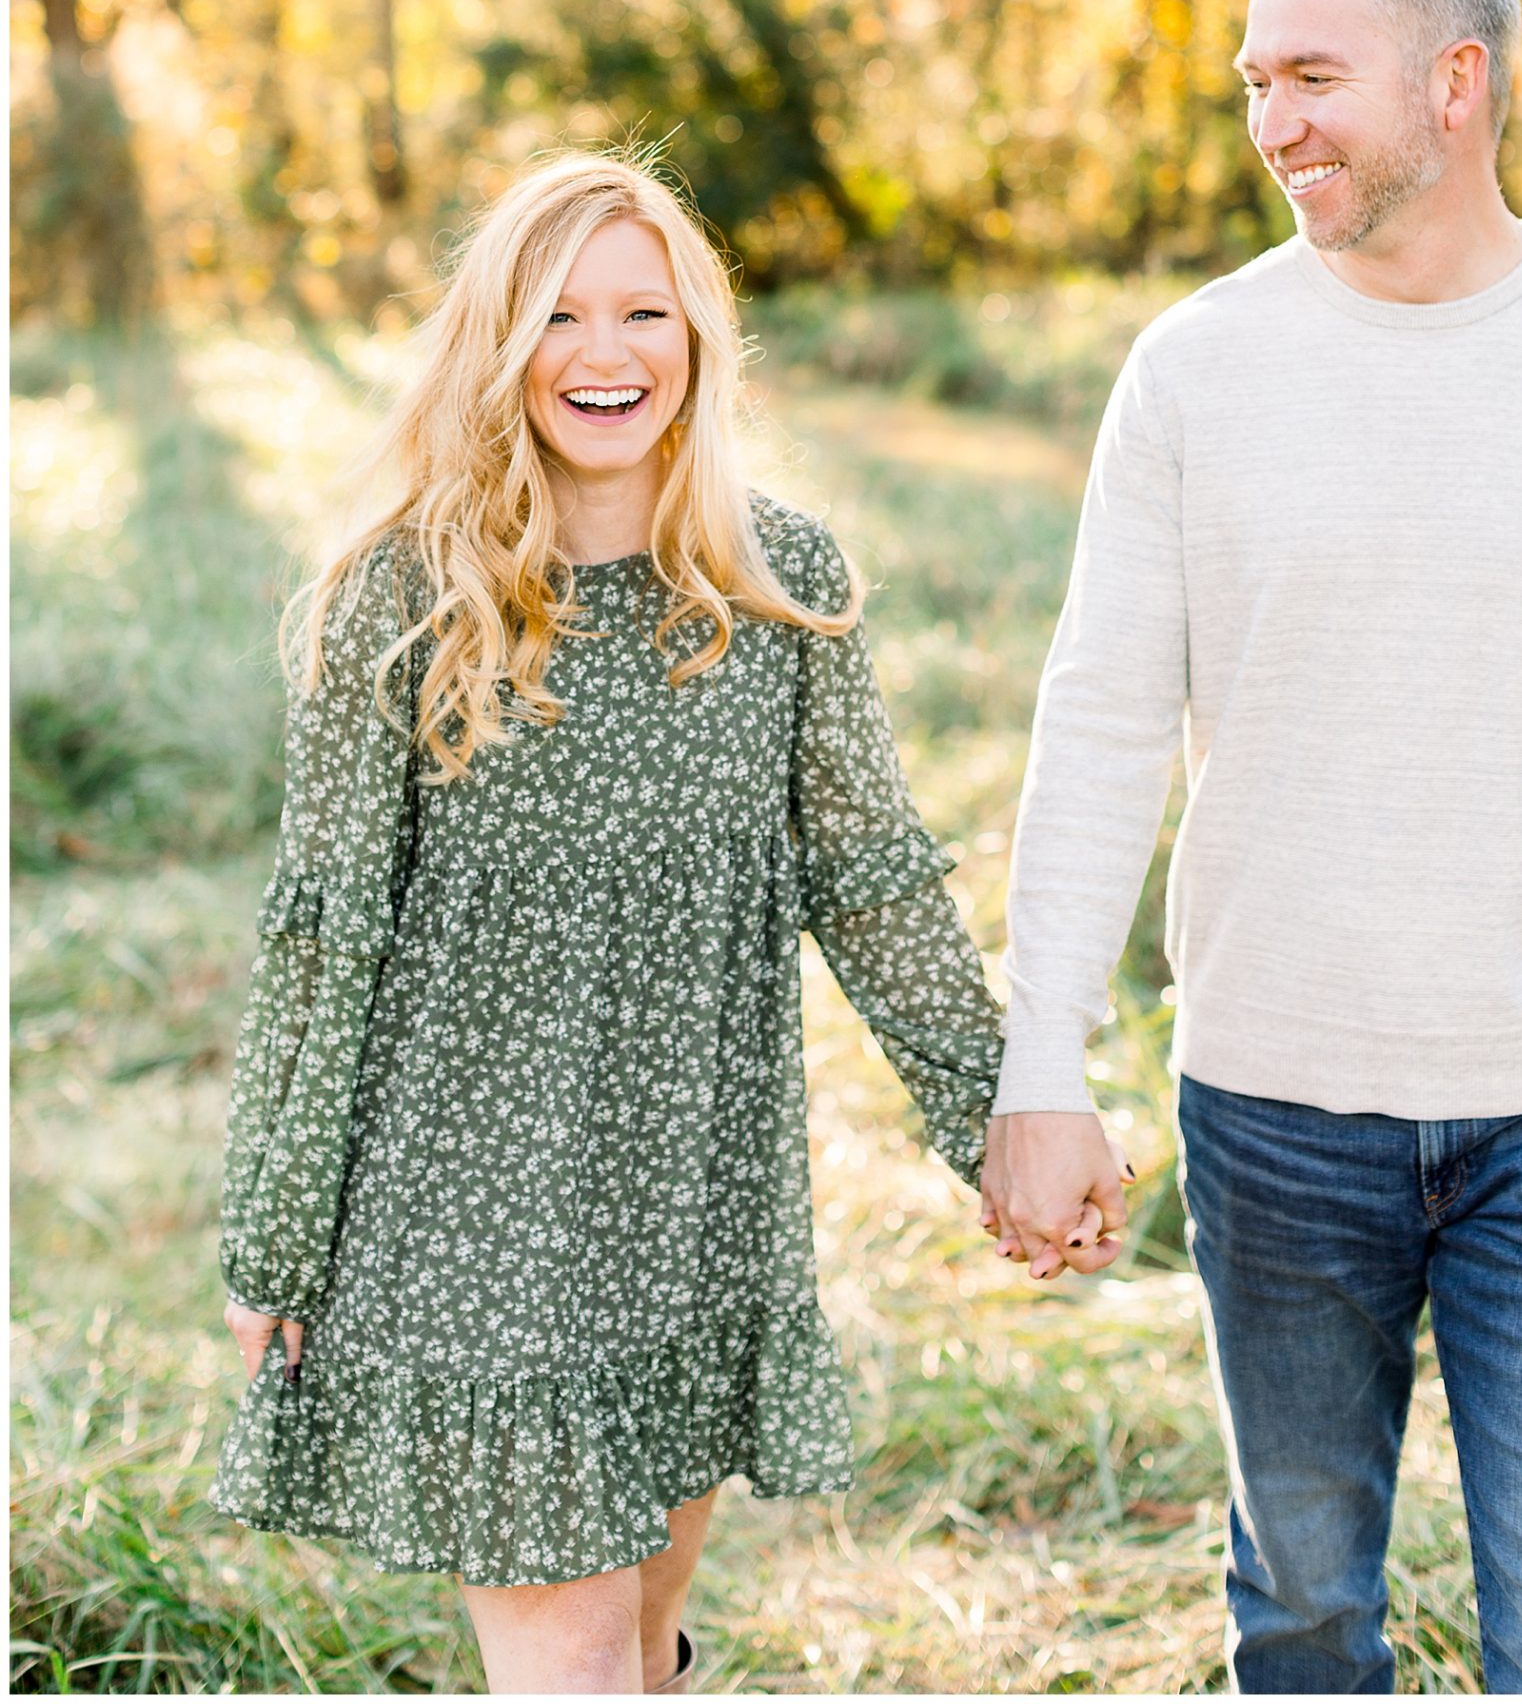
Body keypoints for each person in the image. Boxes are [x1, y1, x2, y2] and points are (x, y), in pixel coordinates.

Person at [981, 0, 1522, 1695]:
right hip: (1276, 1111)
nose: (1270, 123)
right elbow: (1097, 731)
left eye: (1312, 74)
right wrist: (1039, 1065)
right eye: (1251, 82)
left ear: (1456, 82)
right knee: (1300, 1622)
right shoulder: (1195, 371)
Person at [211, 148, 1005, 1697]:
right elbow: (323, 936)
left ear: (699, 342)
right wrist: (274, 1237)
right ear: (498, 345)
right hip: (469, 1230)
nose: (603, 355)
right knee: (575, 1665)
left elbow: (869, 878)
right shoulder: (406, 599)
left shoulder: (778, 591)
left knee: (639, 1653)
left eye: (644, 313)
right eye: (559, 317)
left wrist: (998, 1121)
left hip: (691, 1212)